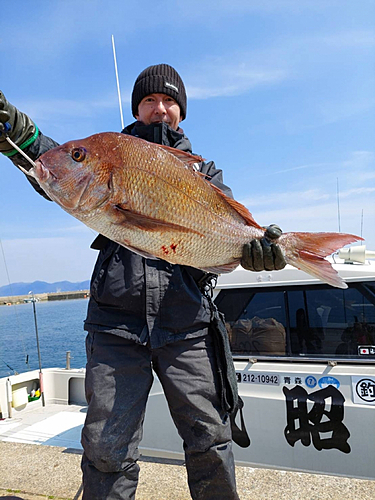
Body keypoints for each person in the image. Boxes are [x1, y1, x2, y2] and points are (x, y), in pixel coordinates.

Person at [0, 64, 285, 500]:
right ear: (137, 107)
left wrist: (256, 252)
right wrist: (19, 133)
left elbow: (226, 238)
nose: (160, 109)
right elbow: (58, 168)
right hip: (115, 324)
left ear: (182, 113)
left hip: (187, 324)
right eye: (150, 100)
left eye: (169, 101)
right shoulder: (107, 155)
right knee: (105, 447)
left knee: (210, 438)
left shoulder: (203, 172)